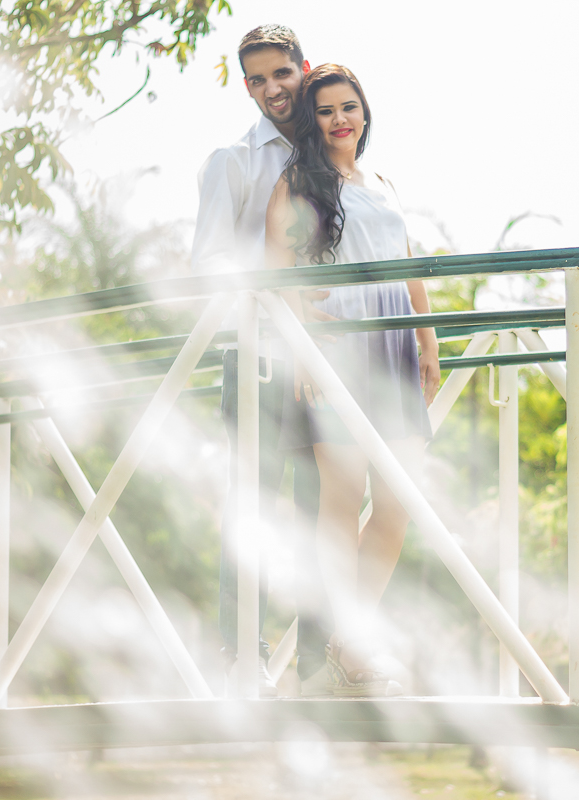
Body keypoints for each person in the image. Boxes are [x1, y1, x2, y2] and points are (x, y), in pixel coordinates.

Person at [265, 64, 441, 696]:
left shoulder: (383, 181)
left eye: (350, 107)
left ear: (365, 111)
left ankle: (348, 638)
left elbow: (406, 260)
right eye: (327, 111)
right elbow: (274, 269)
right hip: (337, 351)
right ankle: (353, 646)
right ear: (312, 122)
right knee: (342, 505)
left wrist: (428, 338)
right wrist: (305, 346)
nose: (341, 119)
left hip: (395, 347)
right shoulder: (298, 182)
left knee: (398, 504)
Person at [191, 25, 333, 697]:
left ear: (302, 69)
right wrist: (273, 303)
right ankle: (240, 655)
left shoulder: (332, 147)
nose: (273, 89)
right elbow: (210, 263)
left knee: (324, 512)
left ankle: (318, 664)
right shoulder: (234, 161)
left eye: (282, 73)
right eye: (257, 79)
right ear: (245, 85)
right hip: (259, 358)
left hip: (330, 362)